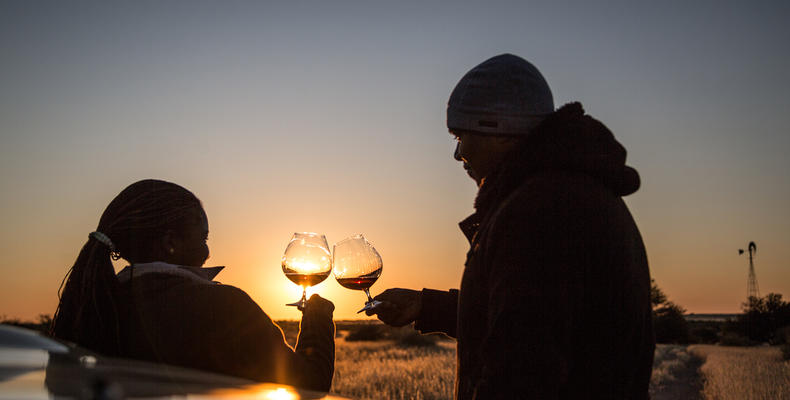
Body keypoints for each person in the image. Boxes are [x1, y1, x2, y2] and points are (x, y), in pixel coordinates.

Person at [368, 54, 655, 399]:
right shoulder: (571, 195)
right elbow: (525, 319)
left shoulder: (543, 213)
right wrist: (427, 307)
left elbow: (523, 371)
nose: (459, 154)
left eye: (461, 135)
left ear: (498, 129)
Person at [50, 179, 335, 391]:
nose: (207, 252)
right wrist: (317, 317)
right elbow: (308, 386)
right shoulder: (224, 307)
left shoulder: (94, 305)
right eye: (203, 238)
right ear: (170, 243)